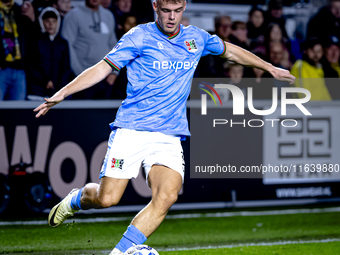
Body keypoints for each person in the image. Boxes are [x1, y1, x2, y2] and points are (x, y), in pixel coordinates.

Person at [33, 0, 295, 254]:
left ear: (184, 9)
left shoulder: (197, 38)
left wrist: (269, 67)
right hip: (133, 129)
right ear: (155, 7)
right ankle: (75, 199)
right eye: (166, 10)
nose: (172, 17)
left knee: (167, 195)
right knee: (107, 199)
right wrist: (63, 93)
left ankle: (120, 253)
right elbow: (103, 68)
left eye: (178, 10)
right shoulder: (139, 36)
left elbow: (230, 50)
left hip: (169, 134)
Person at [61, 0, 117, 99]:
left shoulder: (108, 15)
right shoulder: (73, 15)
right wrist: (80, 74)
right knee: (82, 113)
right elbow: (67, 47)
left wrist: (114, 72)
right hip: (83, 79)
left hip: (106, 78)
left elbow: (114, 45)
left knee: (104, 113)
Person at [26, 7, 70, 99]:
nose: (51, 24)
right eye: (47, 21)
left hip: (57, 91)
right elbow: (30, 66)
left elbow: (65, 68)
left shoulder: (63, 43)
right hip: (36, 90)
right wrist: (45, 81)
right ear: (41, 22)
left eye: (54, 21)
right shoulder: (35, 42)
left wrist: (58, 86)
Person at [0, 0, 35, 100]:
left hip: (20, 70)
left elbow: (32, 39)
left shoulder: (20, 10)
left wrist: (32, 20)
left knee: (17, 112)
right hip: (2, 70)